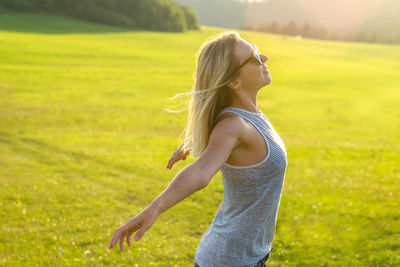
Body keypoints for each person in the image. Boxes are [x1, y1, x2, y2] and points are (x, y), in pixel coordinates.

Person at [109, 31, 288, 267]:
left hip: (249, 257)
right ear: (234, 82)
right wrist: (154, 209)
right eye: (254, 56)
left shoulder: (248, 118)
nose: (264, 57)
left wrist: (192, 142)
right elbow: (200, 172)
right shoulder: (233, 126)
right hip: (229, 260)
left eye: (256, 49)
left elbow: (219, 131)